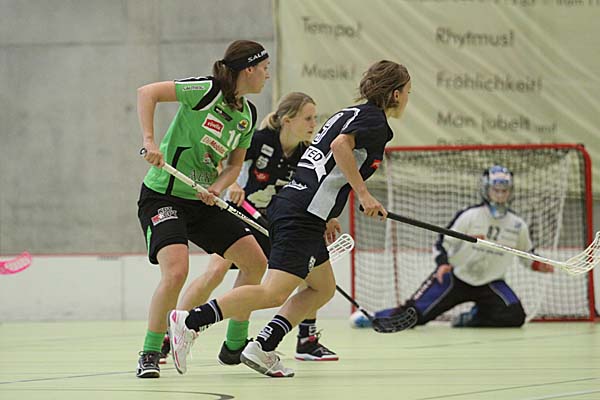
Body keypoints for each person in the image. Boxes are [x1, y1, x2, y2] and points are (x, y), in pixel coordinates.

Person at [166, 60, 412, 377]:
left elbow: (324, 168)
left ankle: (264, 346)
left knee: (322, 288)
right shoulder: (375, 121)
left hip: (303, 209)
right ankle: (191, 320)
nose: (407, 98)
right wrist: (363, 194)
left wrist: (329, 215)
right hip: (301, 214)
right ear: (395, 94)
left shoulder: (350, 113)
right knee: (273, 292)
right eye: (407, 92)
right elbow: (339, 146)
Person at [160, 92, 339, 363]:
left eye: (315, 118)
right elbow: (221, 159)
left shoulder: (305, 154)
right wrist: (231, 184)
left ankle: (304, 339)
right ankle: (170, 335)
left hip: (275, 221)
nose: (314, 124)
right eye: (308, 118)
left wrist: (328, 217)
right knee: (215, 272)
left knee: (304, 274)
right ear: (288, 121)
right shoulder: (260, 140)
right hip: (240, 215)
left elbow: (312, 191)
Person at [135, 40, 270, 378]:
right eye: (264, 68)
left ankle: (234, 345)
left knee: (255, 262)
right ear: (249, 69)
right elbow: (147, 93)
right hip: (164, 196)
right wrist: (150, 140)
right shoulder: (206, 91)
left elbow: (234, 165)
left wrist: (217, 187)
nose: (267, 75)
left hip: (203, 200)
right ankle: (151, 351)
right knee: (176, 271)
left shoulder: (247, 115)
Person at [351, 165, 554, 329]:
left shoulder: (518, 225)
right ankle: (372, 317)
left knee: (515, 316)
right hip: (455, 277)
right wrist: (442, 264)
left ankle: (471, 319)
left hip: (491, 282)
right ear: (486, 190)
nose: (500, 194)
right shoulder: (470, 216)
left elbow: (527, 255)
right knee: (413, 316)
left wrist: (539, 265)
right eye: (496, 190)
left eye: (504, 190)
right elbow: (443, 243)